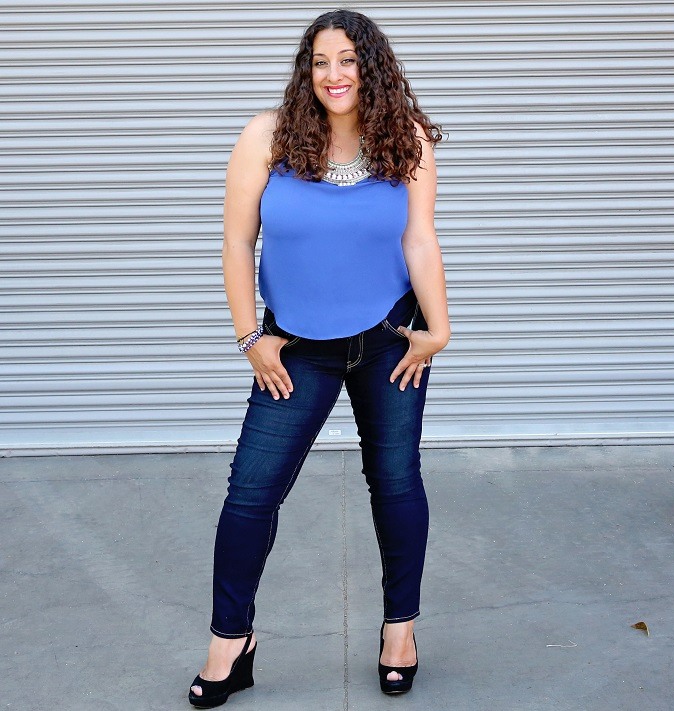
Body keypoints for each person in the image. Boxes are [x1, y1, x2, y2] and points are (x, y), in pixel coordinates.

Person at [188, 9, 449, 708]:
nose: (334, 74)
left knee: (395, 483)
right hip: (296, 347)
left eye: (349, 60)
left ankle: (400, 632)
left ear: (372, 67)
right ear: (308, 71)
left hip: (389, 339)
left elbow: (420, 239)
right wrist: (250, 336)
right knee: (250, 494)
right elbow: (236, 241)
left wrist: (439, 328)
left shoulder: (406, 138)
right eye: (321, 61)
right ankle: (230, 642)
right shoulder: (267, 136)